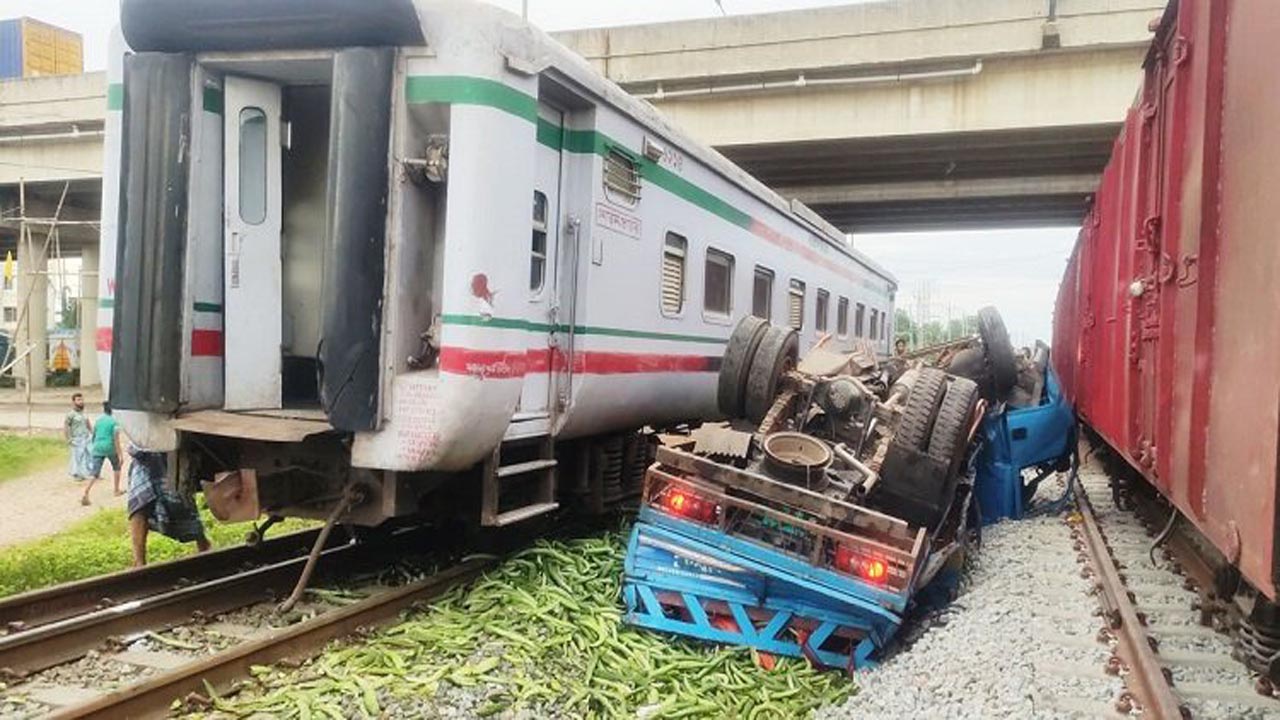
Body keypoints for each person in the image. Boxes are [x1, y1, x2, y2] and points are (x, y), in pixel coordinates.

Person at [126, 443, 211, 567]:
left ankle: (203, 544)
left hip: (171, 448)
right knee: (138, 504)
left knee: (181, 500)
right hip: (143, 452)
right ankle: (139, 561)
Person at [81, 402, 125, 505]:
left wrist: (95, 445)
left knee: (95, 473)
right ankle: (116, 490)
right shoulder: (114, 422)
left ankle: (86, 491)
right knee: (117, 467)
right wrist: (120, 454)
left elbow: (94, 434)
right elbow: (116, 439)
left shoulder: (98, 420)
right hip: (110, 447)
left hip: (98, 447)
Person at [64, 393, 93, 482]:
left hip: (86, 437)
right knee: (77, 456)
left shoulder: (84, 413)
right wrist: (69, 438)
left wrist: (93, 433)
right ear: (73, 402)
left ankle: (90, 472)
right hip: (76, 438)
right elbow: (66, 426)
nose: (81, 402)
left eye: (82, 400)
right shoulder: (71, 415)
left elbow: (88, 423)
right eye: (78, 400)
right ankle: (76, 474)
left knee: (90, 454)